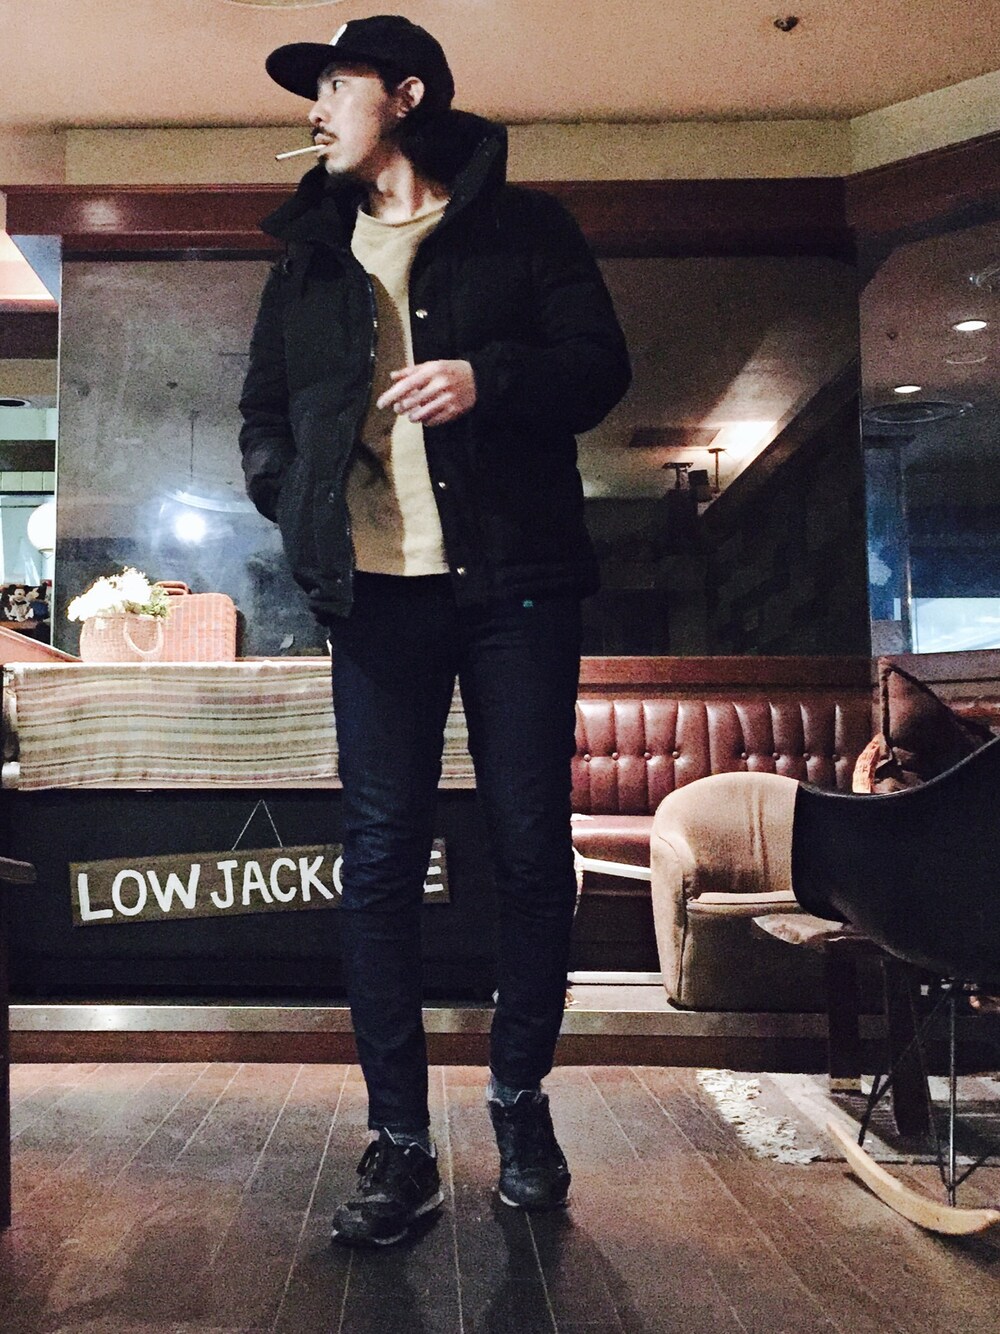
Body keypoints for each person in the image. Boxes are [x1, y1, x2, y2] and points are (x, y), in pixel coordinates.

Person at [240, 15, 631, 1247]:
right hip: (374, 593)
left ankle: (519, 1102)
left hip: (517, 583)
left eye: (333, 84)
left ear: (405, 95)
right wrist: (296, 498)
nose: (314, 110)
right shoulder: (307, 256)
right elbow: (261, 417)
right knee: (377, 858)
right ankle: (400, 1138)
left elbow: (600, 367)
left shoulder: (527, 226)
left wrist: (484, 377)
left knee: (529, 848)